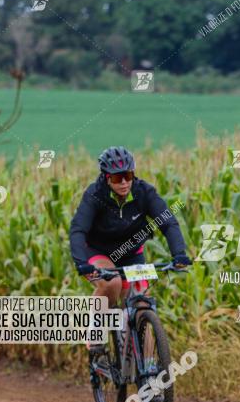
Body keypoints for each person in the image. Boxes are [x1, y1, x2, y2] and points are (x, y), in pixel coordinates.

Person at [70, 146, 191, 363]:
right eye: (117, 178)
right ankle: (95, 333)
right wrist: (81, 263)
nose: (124, 182)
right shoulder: (94, 195)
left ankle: (149, 371)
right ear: (106, 178)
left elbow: (168, 222)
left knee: (142, 306)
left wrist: (179, 254)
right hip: (98, 251)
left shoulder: (144, 192)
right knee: (112, 283)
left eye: (128, 176)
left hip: (132, 253)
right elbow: (78, 229)